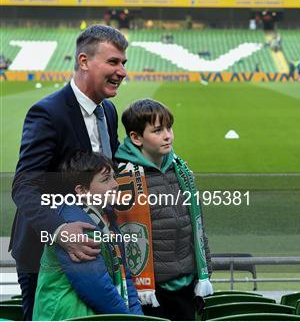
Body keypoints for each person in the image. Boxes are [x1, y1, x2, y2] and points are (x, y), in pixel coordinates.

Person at [10, 24, 127, 320]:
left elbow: (104, 178)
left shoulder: (109, 112)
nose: (122, 71)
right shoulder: (48, 113)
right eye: (113, 62)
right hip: (46, 257)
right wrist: (61, 231)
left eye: (123, 63)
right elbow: (24, 186)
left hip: (95, 252)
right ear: (84, 61)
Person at [114, 99, 213, 320]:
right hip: (149, 292)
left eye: (169, 128)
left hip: (187, 285)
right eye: (157, 130)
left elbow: (196, 225)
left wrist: (204, 272)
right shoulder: (120, 177)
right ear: (136, 138)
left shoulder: (181, 170)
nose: (167, 135)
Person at [33, 151, 143, 320]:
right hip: (67, 315)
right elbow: (96, 289)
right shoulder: (76, 226)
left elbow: (125, 275)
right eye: (106, 179)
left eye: (114, 177)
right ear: (82, 190)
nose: (115, 184)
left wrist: (138, 317)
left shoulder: (105, 216)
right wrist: (128, 319)